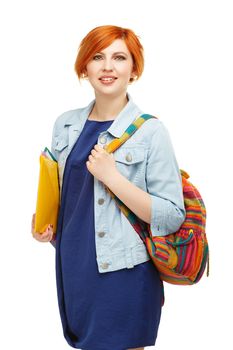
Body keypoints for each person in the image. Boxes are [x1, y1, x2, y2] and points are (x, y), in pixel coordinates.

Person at [31, 25, 186, 350]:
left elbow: (171, 215)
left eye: (119, 57)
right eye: (97, 56)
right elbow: (72, 200)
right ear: (84, 67)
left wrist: (112, 178)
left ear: (133, 70)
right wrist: (47, 225)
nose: (107, 66)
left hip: (124, 272)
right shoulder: (66, 124)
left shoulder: (151, 132)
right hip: (74, 266)